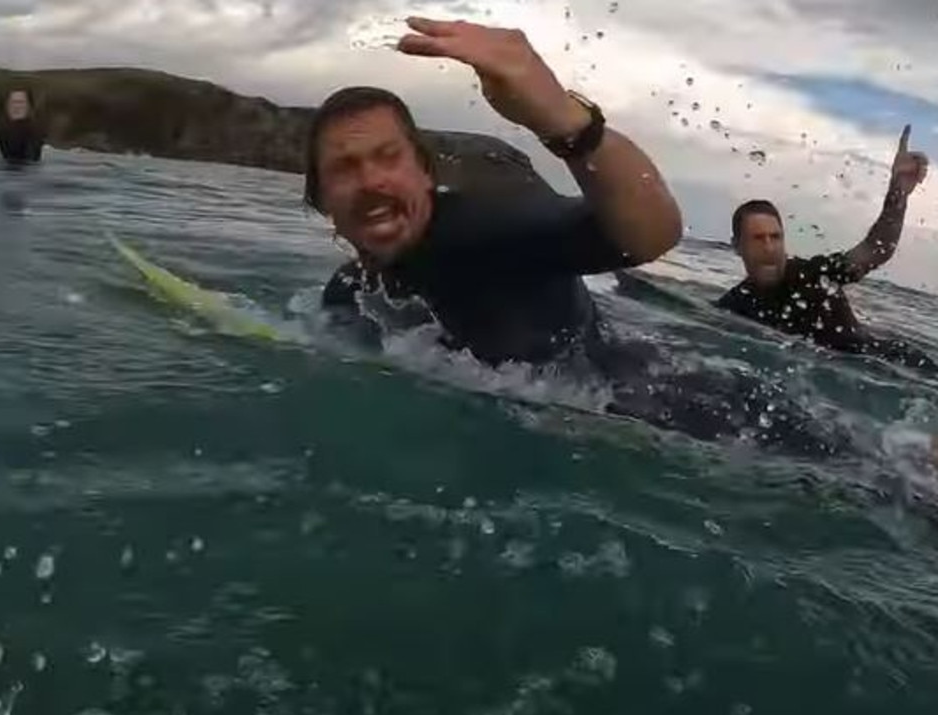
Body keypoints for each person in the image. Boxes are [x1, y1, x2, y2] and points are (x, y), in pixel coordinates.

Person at [307, 17, 872, 460]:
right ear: (319, 198)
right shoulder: (350, 292)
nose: (372, 181)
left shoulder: (483, 230)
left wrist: (562, 119)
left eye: (388, 158)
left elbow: (650, 233)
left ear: (425, 172)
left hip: (703, 418)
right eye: (344, 168)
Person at [716, 125, 932, 370]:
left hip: (885, 364)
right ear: (737, 246)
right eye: (757, 238)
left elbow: (877, 250)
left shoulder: (812, 275)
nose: (769, 247)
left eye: (775, 237)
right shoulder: (734, 305)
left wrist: (898, 193)